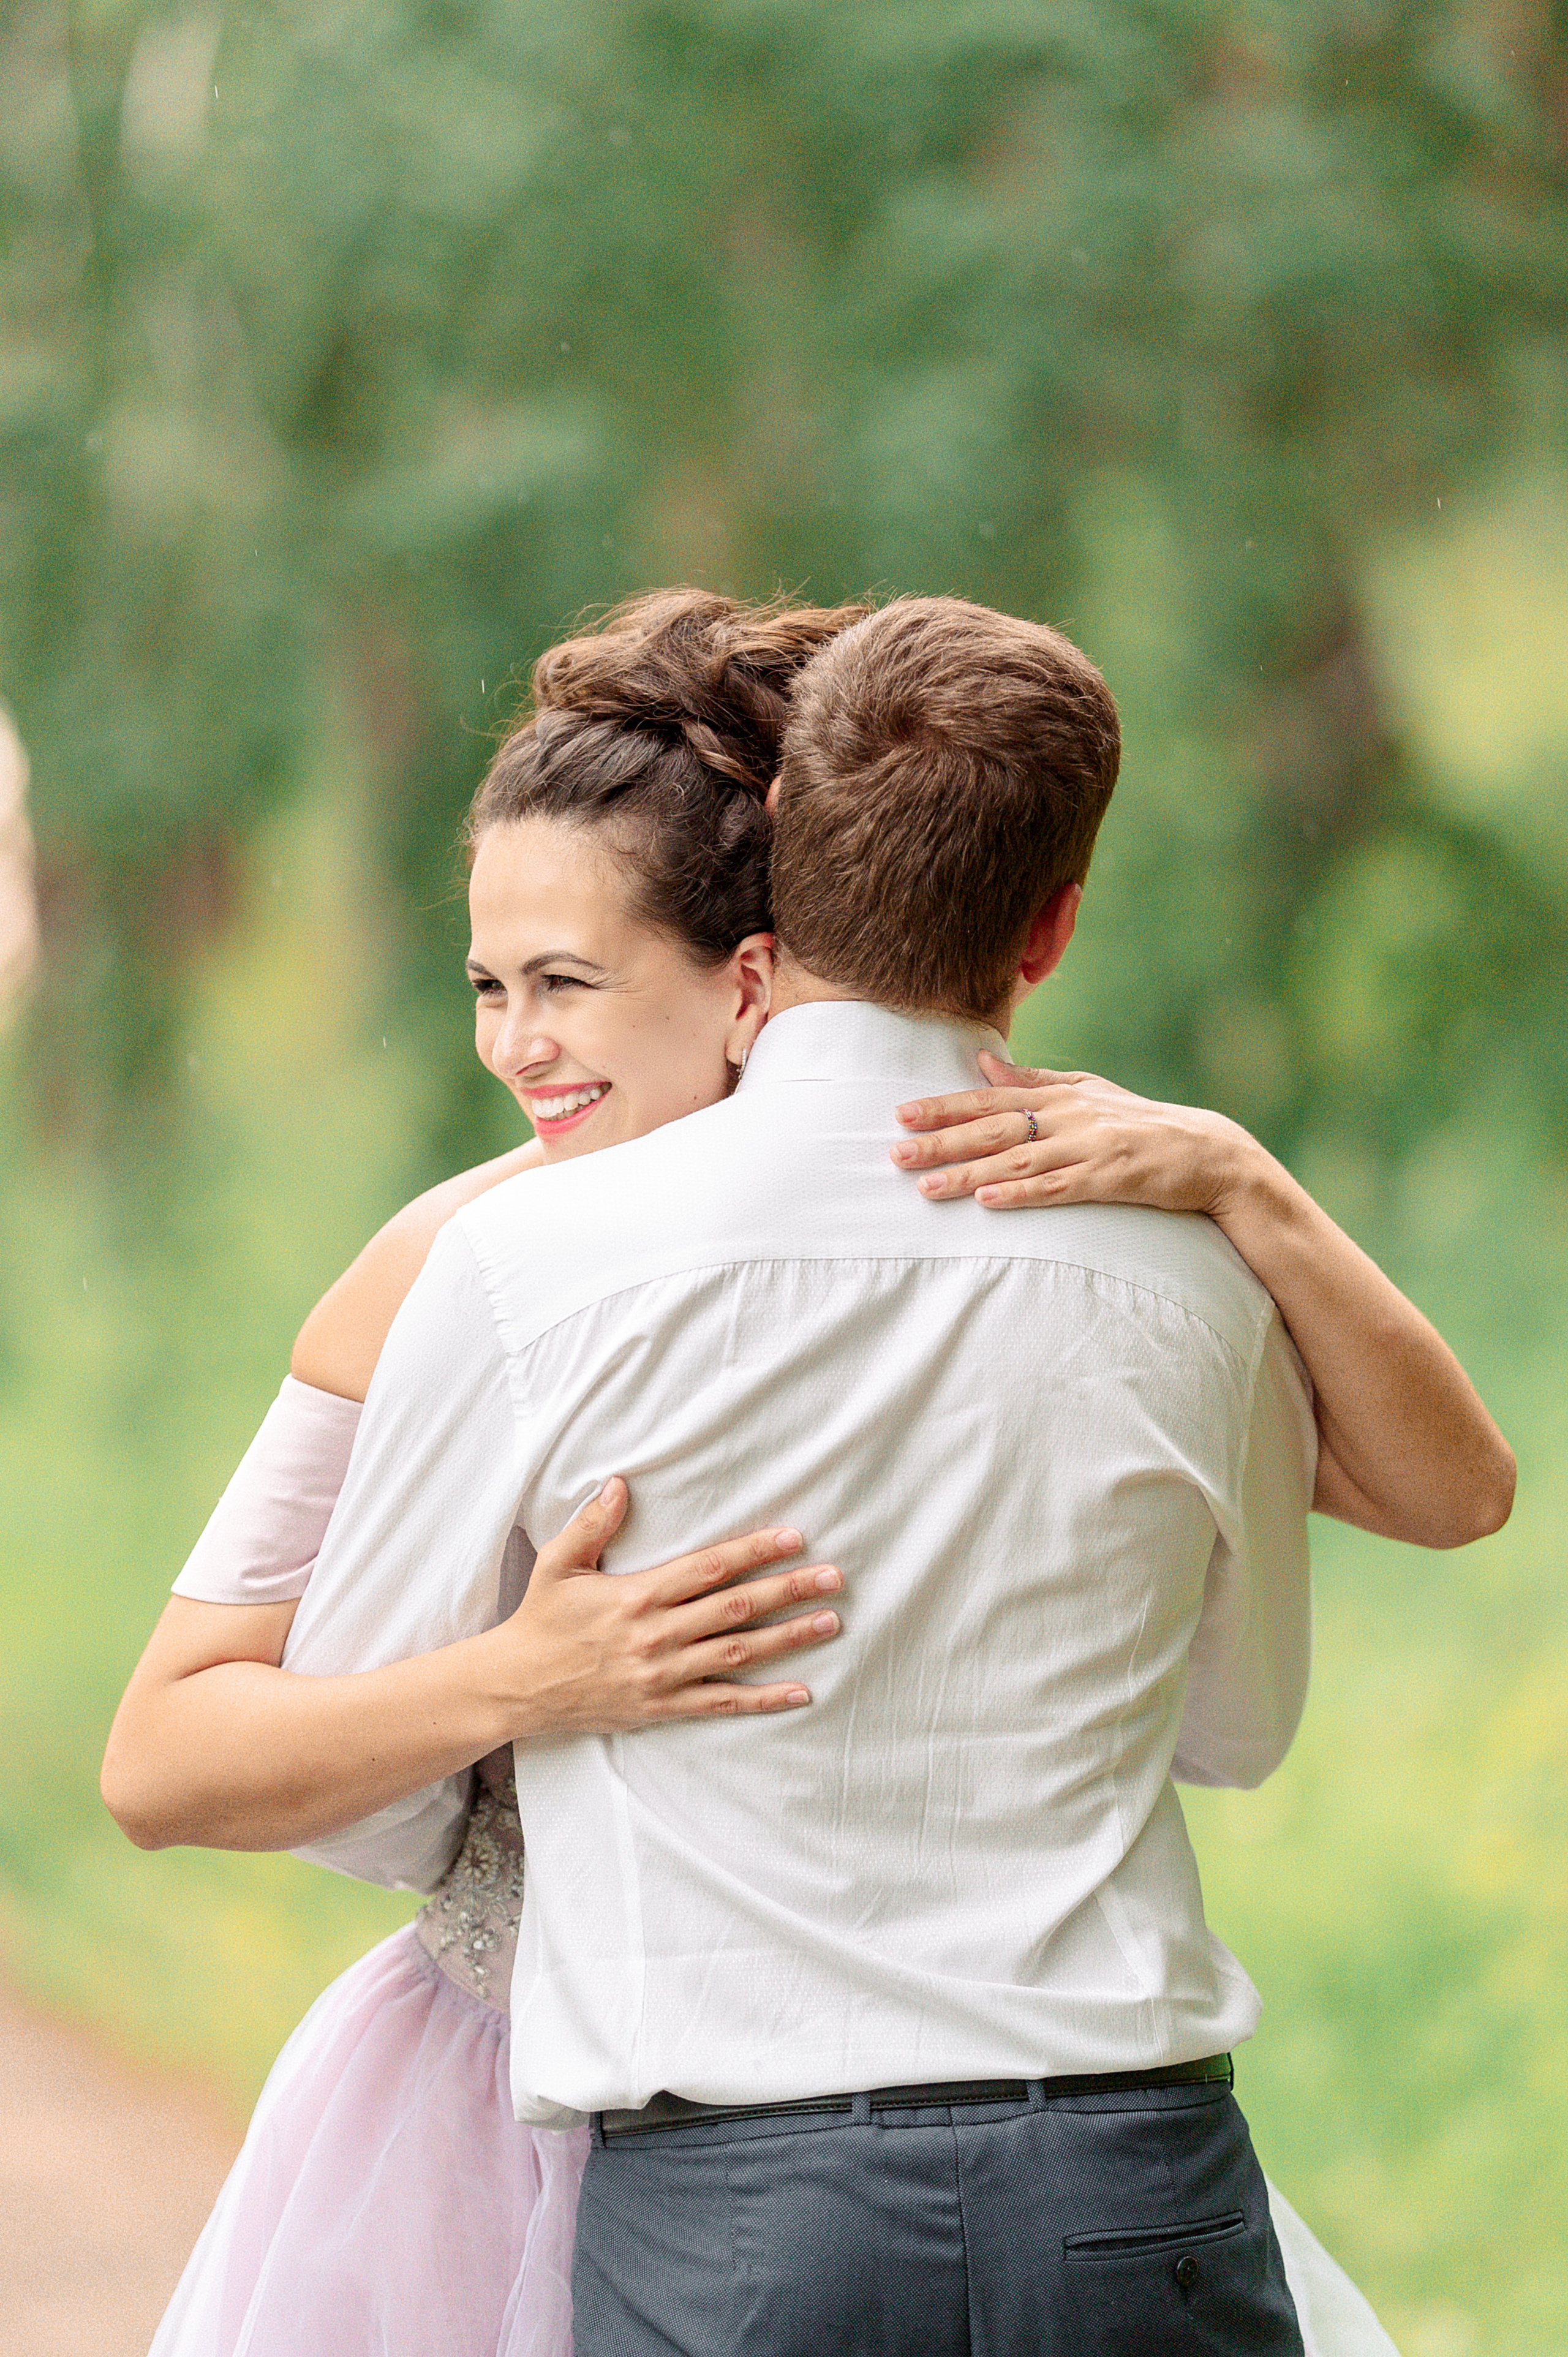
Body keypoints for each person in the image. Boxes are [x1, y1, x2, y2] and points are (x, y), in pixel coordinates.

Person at [115, 590, 1506, 2355]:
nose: (517, 1046)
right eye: (490, 985)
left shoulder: (560, 1277)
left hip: (738, 2187)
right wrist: (525, 1678)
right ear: (1046, 924)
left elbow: (1438, 1491)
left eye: (571, 983)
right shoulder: (492, 1261)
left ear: (760, 969)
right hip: (852, 2145)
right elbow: (1241, 1712)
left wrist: (1242, 1180)